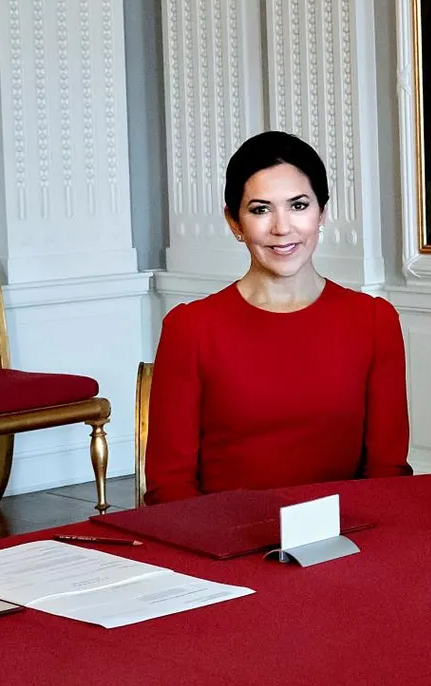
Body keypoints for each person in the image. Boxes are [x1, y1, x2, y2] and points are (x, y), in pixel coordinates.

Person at [145, 133, 412, 503]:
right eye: (260, 209)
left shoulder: (373, 321)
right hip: (222, 545)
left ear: (323, 213)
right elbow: (169, 485)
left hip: (345, 540)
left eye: (298, 206)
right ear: (234, 222)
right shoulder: (190, 329)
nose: (282, 227)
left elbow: (387, 472)